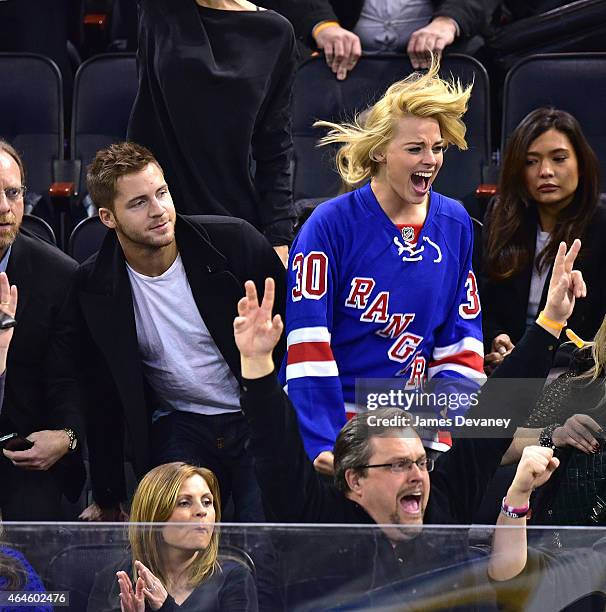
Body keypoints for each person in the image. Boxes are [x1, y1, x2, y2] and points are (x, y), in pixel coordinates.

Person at [230, 239, 584, 604]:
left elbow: (491, 422)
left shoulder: (441, 505)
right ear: (354, 480)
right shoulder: (318, 522)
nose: (418, 474)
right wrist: (257, 369)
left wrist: (551, 321)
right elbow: (277, 453)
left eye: (420, 461)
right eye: (399, 465)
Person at [281, 58, 484, 473]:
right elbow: (307, 344)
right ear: (379, 151)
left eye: (438, 148)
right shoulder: (328, 225)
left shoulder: (456, 222)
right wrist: (325, 440)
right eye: (415, 148)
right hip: (345, 426)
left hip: (418, 429)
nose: (430, 160)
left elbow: (459, 340)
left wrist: (442, 434)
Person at [77, 142, 285, 525]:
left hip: (256, 410)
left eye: (161, 193)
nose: (158, 210)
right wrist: (108, 494)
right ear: (108, 217)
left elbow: (294, 338)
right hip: (181, 421)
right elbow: (103, 392)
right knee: (178, 536)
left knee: (266, 539)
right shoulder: (95, 285)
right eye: (138, 203)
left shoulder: (235, 243)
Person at [127, 0, 297, 265]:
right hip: (159, 215)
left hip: (234, 219)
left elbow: (275, 144)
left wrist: (279, 236)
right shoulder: (158, 9)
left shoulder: (276, 32)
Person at [482, 108, 606, 374]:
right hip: (505, 371)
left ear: (581, 164)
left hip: (576, 372)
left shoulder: (602, 223)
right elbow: (483, 299)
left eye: (559, 159)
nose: (546, 171)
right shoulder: (501, 214)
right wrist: (496, 338)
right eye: (531, 162)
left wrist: (533, 356)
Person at [0, 140, 85, 521]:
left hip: (20, 450)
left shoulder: (58, 276)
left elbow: (67, 377)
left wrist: (66, 437)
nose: (5, 208)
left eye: (13, 193)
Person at [87, 462, 257, 612]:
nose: (202, 511)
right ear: (153, 515)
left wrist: (166, 607)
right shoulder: (114, 579)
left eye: (207, 502)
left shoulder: (233, 578)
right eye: (184, 503)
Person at [263, 0, 499, 79]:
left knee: (478, 62)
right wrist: (323, 25)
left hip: (436, 60)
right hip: (340, 60)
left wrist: (448, 22)